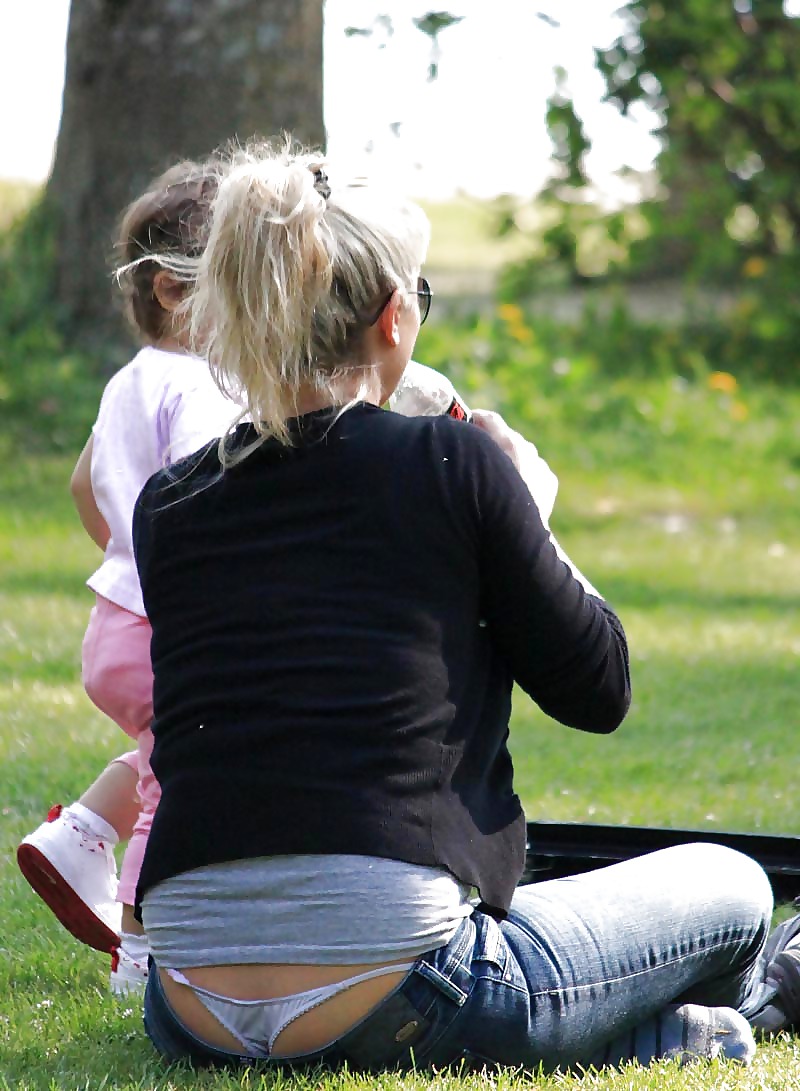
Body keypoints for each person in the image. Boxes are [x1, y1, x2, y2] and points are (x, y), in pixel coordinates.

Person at [131, 140, 788, 1071]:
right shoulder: (452, 464)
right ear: (395, 318)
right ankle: (674, 1025)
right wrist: (529, 510)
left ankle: (652, 1036)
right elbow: (600, 689)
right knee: (734, 883)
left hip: (189, 999)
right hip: (412, 987)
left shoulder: (168, 502)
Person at [17, 158, 240, 995]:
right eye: (238, 284)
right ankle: (141, 954)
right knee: (176, 787)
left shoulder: (130, 379)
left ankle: (81, 833)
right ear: (173, 292)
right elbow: (204, 497)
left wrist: (125, 562)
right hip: (165, 626)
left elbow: (84, 485)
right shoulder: (203, 387)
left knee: (161, 757)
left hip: (117, 619)